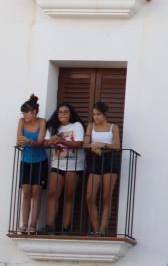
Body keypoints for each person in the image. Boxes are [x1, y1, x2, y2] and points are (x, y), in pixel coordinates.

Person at [43, 103, 85, 234]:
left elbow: (79, 143)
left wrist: (61, 141)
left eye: (65, 112)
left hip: (74, 166)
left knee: (69, 196)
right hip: (57, 164)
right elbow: (44, 143)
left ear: (70, 113)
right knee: (52, 195)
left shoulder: (77, 125)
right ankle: (49, 226)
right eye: (60, 112)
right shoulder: (52, 127)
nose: (62, 114)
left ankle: (66, 228)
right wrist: (51, 141)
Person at [84, 102, 121, 237]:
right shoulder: (90, 127)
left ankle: (102, 229)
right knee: (89, 197)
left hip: (109, 161)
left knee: (106, 197)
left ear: (104, 114)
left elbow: (117, 145)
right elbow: (85, 144)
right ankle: (96, 227)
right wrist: (94, 146)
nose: (95, 117)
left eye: (98, 114)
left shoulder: (113, 127)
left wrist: (102, 145)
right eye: (93, 114)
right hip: (95, 160)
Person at [16, 94, 47, 234]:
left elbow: (40, 142)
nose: (24, 115)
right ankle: (24, 225)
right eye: (23, 113)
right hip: (26, 161)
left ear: (34, 112)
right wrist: (23, 141)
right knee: (26, 192)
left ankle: (32, 225)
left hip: (40, 162)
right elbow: (18, 141)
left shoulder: (42, 122)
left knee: (36, 193)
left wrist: (28, 142)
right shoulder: (21, 121)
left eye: (26, 112)